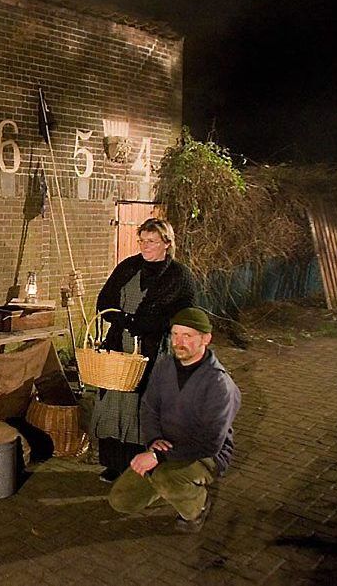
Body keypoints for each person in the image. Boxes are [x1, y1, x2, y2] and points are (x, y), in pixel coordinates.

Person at [108, 307, 241, 533]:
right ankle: (167, 486)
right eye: (175, 334)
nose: (179, 342)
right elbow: (149, 407)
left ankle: (197, 507)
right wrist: (154, 440)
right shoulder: (164, 366)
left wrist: (157, 456)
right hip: (165, 445)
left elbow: (210, 442)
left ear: (206, 339)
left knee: (166, 477)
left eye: (187, 336)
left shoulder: (218, 384)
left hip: (204, 455)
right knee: (121, 501)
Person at [90, 218, 196, 482]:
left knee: (144, 405)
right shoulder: (128, 267)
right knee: (116, 401)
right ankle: (115, 464)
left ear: (166, 244)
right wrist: (123, 320)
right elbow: (104, 300)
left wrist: (149, 325)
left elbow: (187, 315)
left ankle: (146, 465)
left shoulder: (179, 277)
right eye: (142, 240)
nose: (144, 246)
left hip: (154, 349)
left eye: (151, 241)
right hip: (120, 348)